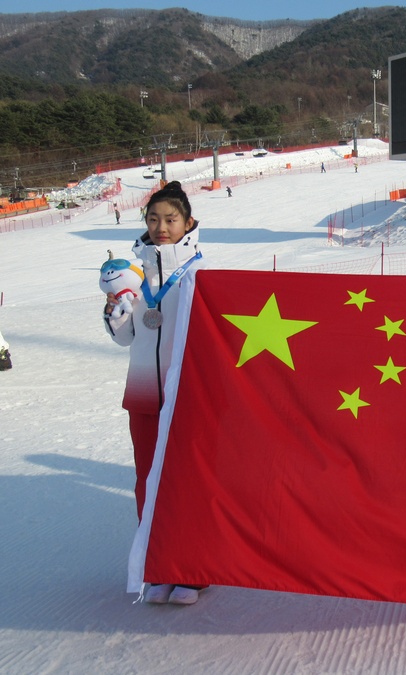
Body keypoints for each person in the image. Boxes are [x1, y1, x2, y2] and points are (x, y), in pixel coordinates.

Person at [103, 181, 206, 606]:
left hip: (189, 396)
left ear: (188, 222)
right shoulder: (134, 273)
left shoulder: (202, 272)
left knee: (188, 482)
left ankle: (194, 569)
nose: (161, 227)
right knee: (147, 482)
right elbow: (125, 338)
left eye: (170, 219)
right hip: (144, 393)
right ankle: (158, 564)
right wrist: (116, 311)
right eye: (153, 219)